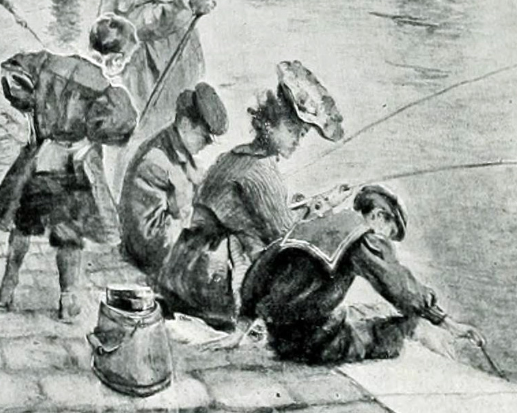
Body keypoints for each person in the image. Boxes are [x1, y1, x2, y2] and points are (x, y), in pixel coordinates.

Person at [157, 61, 344, 331]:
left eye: (301, 135)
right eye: (291, 131)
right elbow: (285, 237)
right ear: (268, 124)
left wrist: (307, 207)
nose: (297, 141)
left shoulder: (235, 156)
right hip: (209, 282)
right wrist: (320, 210)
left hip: (181, 269)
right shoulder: (261, 171)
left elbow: (251, 217)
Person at [220, 184, 485, 361]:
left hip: (280, 337)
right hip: (314, 343)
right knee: (402, 327)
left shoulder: (314, 225)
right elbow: (401, 288)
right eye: (390, 233)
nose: (387, 241)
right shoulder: (360, 235)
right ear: (380, 216)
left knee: (363, 311)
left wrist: (240, 329)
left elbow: (259, 272)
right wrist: (446, 322)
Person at [0, 13, 139, 322]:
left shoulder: (48, 63)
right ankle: (68, 299)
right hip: (73, 172)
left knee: (23, 225)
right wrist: (91, 135)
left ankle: (7, 286)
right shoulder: (106, 90)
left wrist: (30, 105)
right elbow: (117, 126)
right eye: (126, 60)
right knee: (70, 236)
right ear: (116, 59)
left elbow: (12, 71)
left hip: (39, 164)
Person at [119, 82, 228, 281]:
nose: (206, 145)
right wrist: (198, 231)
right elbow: (148, 239)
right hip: (151, 264)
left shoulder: (181, 154)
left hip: (169, 252)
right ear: (185, 124)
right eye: (205, 138)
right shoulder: (155, 161)